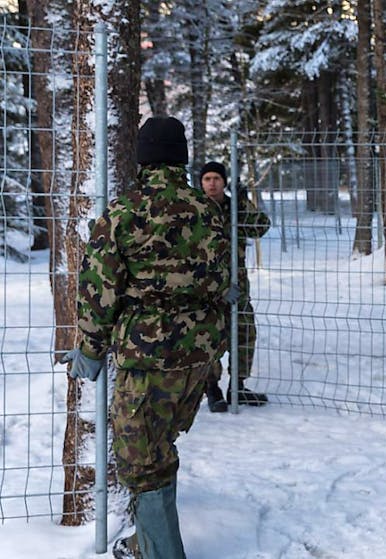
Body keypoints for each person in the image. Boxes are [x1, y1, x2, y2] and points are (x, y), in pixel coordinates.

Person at [61, 116, 233, 558]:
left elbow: (98, 291)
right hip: (199, 356)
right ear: (181, 156)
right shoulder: (207, 209)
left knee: (141, 460)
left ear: (142, 156)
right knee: (161, 447)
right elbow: (221, 281)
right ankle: (148, 541)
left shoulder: (123, 211)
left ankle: (161, 553)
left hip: (146, 358)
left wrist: (90, 349)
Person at [199, 161, 272, 411]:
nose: (212, 183)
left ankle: (237, 387)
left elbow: (260, 227)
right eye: (207, 178)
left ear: (224, 181)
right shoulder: (196, 209)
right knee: (209, 337)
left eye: (216, 178)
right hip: (206, 287)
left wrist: (243, 202)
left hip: (237, 285)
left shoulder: (234, 208)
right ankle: (212, 388)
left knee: (244, 334)